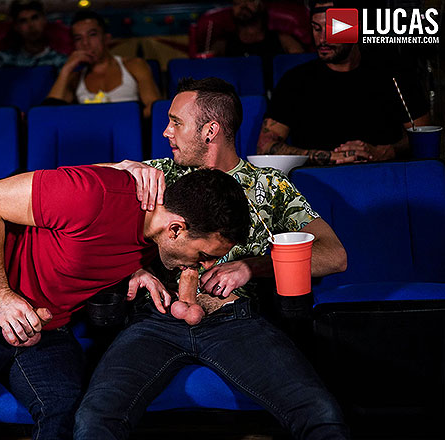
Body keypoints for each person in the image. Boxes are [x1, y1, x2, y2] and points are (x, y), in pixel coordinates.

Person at [0, 164, 252, 440]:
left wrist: (136, 270)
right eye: (204, 255)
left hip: (46, 330)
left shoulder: (158, 242)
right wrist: (1, 296)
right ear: (176, 229)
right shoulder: (93, 194)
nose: (205, 265)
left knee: (66, 419)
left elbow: (100, 245)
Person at [74, 77, 350, 439]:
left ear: (210, 131)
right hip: (155, 321)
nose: (165, 132)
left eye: (176, 122)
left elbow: (334, 256)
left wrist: (251, 267)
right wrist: (125, 168)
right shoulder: (157, 176)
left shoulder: (268, 185)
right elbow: (73, 188)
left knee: (320, 413)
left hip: (235, 321)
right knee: (93, 419)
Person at [257, 0, 430, 165]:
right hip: (318, 179)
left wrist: (388, 151)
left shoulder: (392, 73)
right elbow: (265, 147)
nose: (322, 39)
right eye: (316, 29)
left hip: (383, 175)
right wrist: (329, 157)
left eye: (332, 28)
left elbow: (424, 136)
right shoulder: (295, 81)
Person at [46, 10, 161, 117]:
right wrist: (66, 69)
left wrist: (123, 120)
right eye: (78, 38)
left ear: (106, 38)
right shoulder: (75, 78)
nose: (85, 43)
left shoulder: (133, 65)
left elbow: (154, 107)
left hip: (130, 128)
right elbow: (47, 114)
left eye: (92, 35)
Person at [211, 0, 305, 90]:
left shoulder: (284, 40)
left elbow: (302, 68)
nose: (243, 5)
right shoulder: (221, 45)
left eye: (250, 1)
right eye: (237, 3)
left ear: (262, 4)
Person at [0, 0, 67, 69]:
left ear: (44, 20)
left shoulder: (59, 61)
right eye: (23, 21)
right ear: (16, 27)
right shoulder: (4, 59)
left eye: (35, 18)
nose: (31, 25)